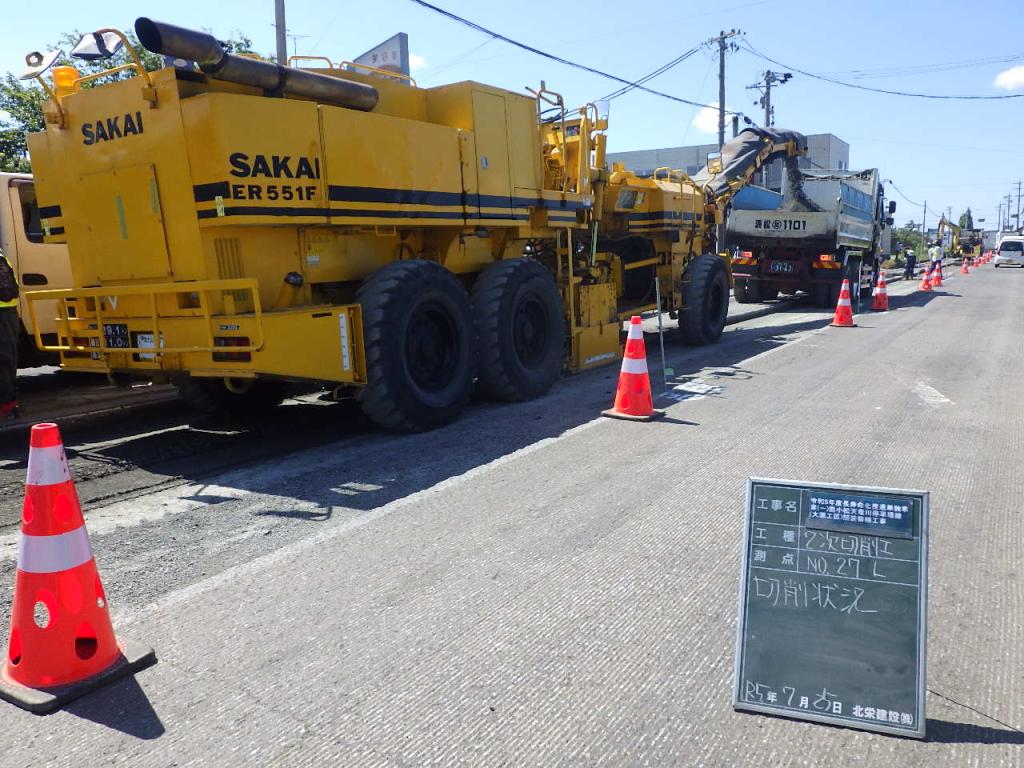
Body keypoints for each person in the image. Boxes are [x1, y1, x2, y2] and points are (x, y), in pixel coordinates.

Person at [0, 247, 19, 420]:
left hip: (3, 316)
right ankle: (8, 404)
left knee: (3, 361)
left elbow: (5, 291)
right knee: (6, 360)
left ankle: (7, 406)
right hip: (7, 315)